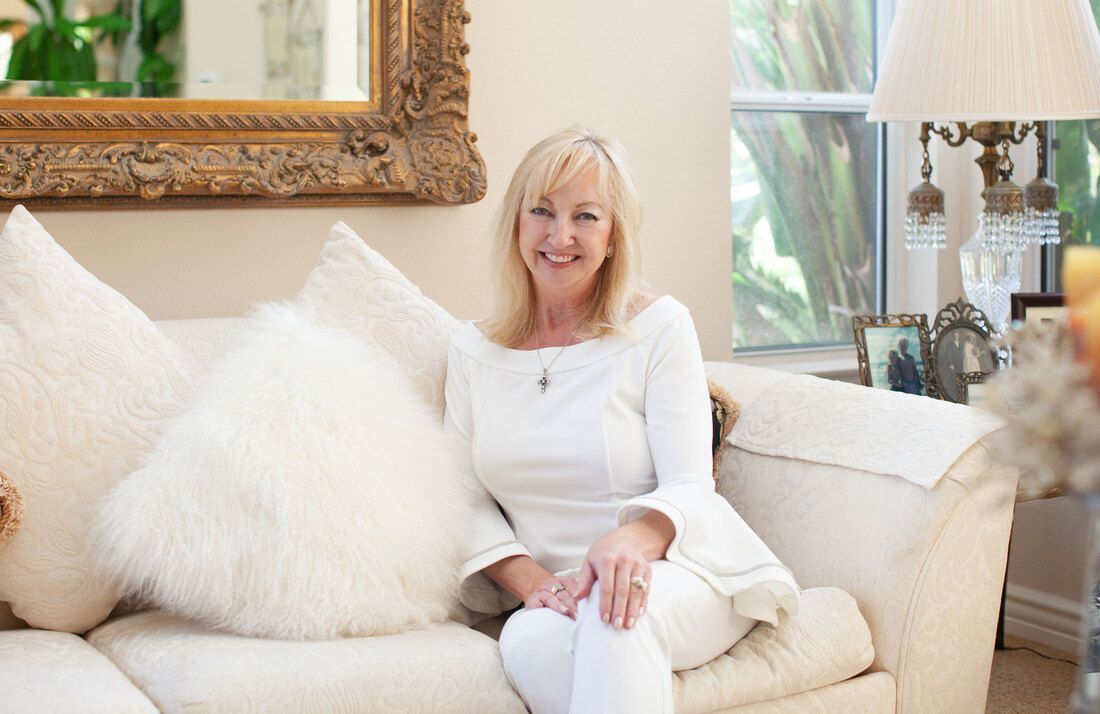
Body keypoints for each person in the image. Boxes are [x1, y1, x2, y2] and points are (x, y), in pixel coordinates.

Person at [443, 127, 799, 713]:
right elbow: (461, 498)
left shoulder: (658, 327)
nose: (560, 236)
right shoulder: (472, 351)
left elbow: (690, 481)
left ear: (614, 237)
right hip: (556, 587)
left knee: (614, 619)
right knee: (530, 643)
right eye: (542, 211)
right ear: (516, 223)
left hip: (677, 567)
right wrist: (532, 582)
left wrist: (628, 540)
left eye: (585, 216)